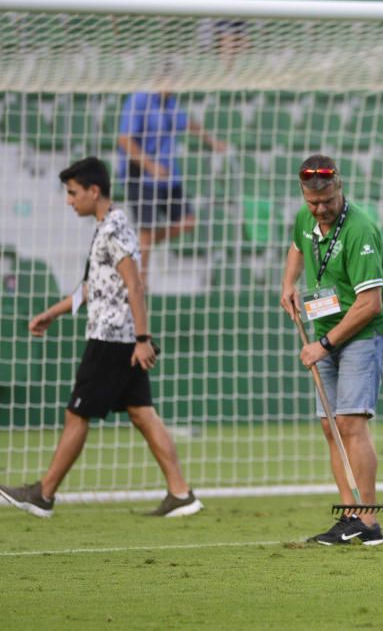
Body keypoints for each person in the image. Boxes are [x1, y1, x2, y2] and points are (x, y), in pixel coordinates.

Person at [0, 157, 203, 519]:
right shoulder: (109, 227)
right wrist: (53, 312)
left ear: (94, 191)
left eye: (73, 193)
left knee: (77, 414)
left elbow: (135, 283)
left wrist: (143, 338)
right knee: (143, 414)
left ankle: (43, 494)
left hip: (111, 337)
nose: (69, 200)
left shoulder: (113, 229)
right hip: (120, 335)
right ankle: (181, 493)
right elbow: (94, 287)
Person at [280, 155, 383, 547]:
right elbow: (298, 246)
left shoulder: (360, 229)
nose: (320, 209)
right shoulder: (306, 218)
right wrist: (289, 285)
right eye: (312, 203)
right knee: (330, 426)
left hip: (364, 333)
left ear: (339, 188)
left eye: (327, 201)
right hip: (325, 329)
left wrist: (323, 345)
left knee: (350, 422)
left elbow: (371, 304)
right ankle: (348, 515)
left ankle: (369, 519)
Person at [117, 89, 228, 289]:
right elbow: (125, 140)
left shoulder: (171, 103)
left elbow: (186, 123)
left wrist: (211, 141)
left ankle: (137, 245)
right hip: (141, 176)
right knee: (147, 228)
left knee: (188, 221)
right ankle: (141, 281)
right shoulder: (139, 100)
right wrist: (151, 166)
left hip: (168, 177)